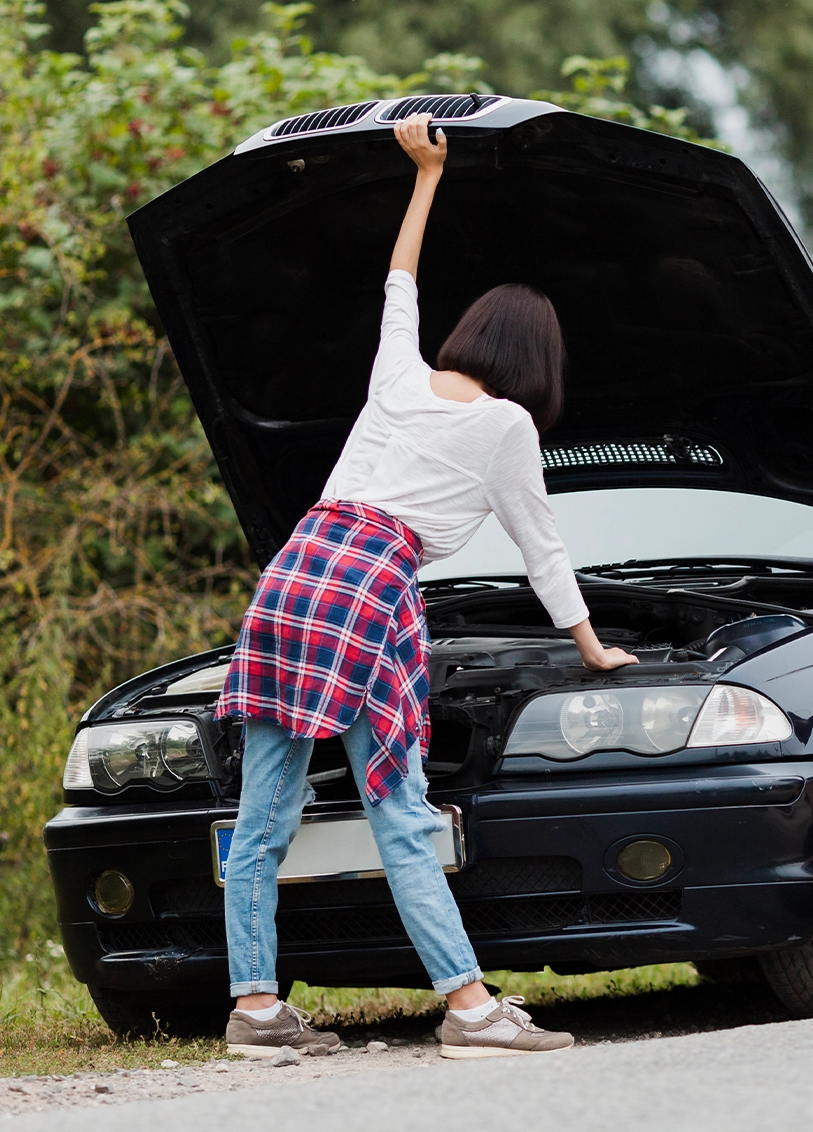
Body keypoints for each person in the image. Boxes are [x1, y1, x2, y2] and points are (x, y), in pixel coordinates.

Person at [215, 113, 637, 1057]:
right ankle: (469, 1007)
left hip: (294, 574)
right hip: (366, 592)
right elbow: (544, 547)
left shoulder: (398, 373)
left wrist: (425, 176)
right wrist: (590, 645)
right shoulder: (507, 427)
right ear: (539, 362)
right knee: (397, 807)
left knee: (263, 815)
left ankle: (253, 1008)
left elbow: (398, 279)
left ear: (471, 332)